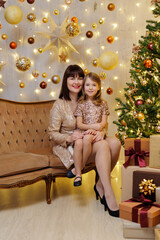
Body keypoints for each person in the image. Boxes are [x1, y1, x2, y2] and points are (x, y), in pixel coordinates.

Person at [48, 64, 121, 217]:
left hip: (90, 137)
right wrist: (69, 137)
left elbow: (100, 121)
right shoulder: (59, 104)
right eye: (72, 78)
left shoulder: (89, 99)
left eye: (80, 78)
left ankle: (100, 184)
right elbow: (52, 133)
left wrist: (102, 131)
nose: (77, 82)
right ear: (65, 81)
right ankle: (108, 193)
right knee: (102, 146)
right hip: (73, 144)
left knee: (115, 143)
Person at [73, 72, 109, 187]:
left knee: (88, 138)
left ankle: (80, 167)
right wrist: (91, 127)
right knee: (82, 141)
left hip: (97, 132)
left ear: (98, 87)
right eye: (87, 85)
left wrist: (98, 129)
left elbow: (103, 122)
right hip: (85, 130)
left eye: (94, 85)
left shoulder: (103, 103)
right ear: (83, 87)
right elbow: (79, 124)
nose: (90, 88)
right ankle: (79, 172)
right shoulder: (81, 104)